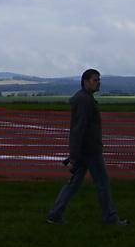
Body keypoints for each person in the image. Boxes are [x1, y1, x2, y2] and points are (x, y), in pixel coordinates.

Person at [46, 69, 128, 225]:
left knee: (73, 184)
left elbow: (79, 129)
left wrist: (75, 155)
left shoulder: (84, 98)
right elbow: (79, 129)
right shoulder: (85, 100)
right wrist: (74, 156)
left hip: (84, 150)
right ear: (85, 81)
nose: (98, 83)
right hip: (90, 150)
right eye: (95, 80)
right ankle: (110, 217)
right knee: (102, 183)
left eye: (99, 80)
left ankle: (55, 214)